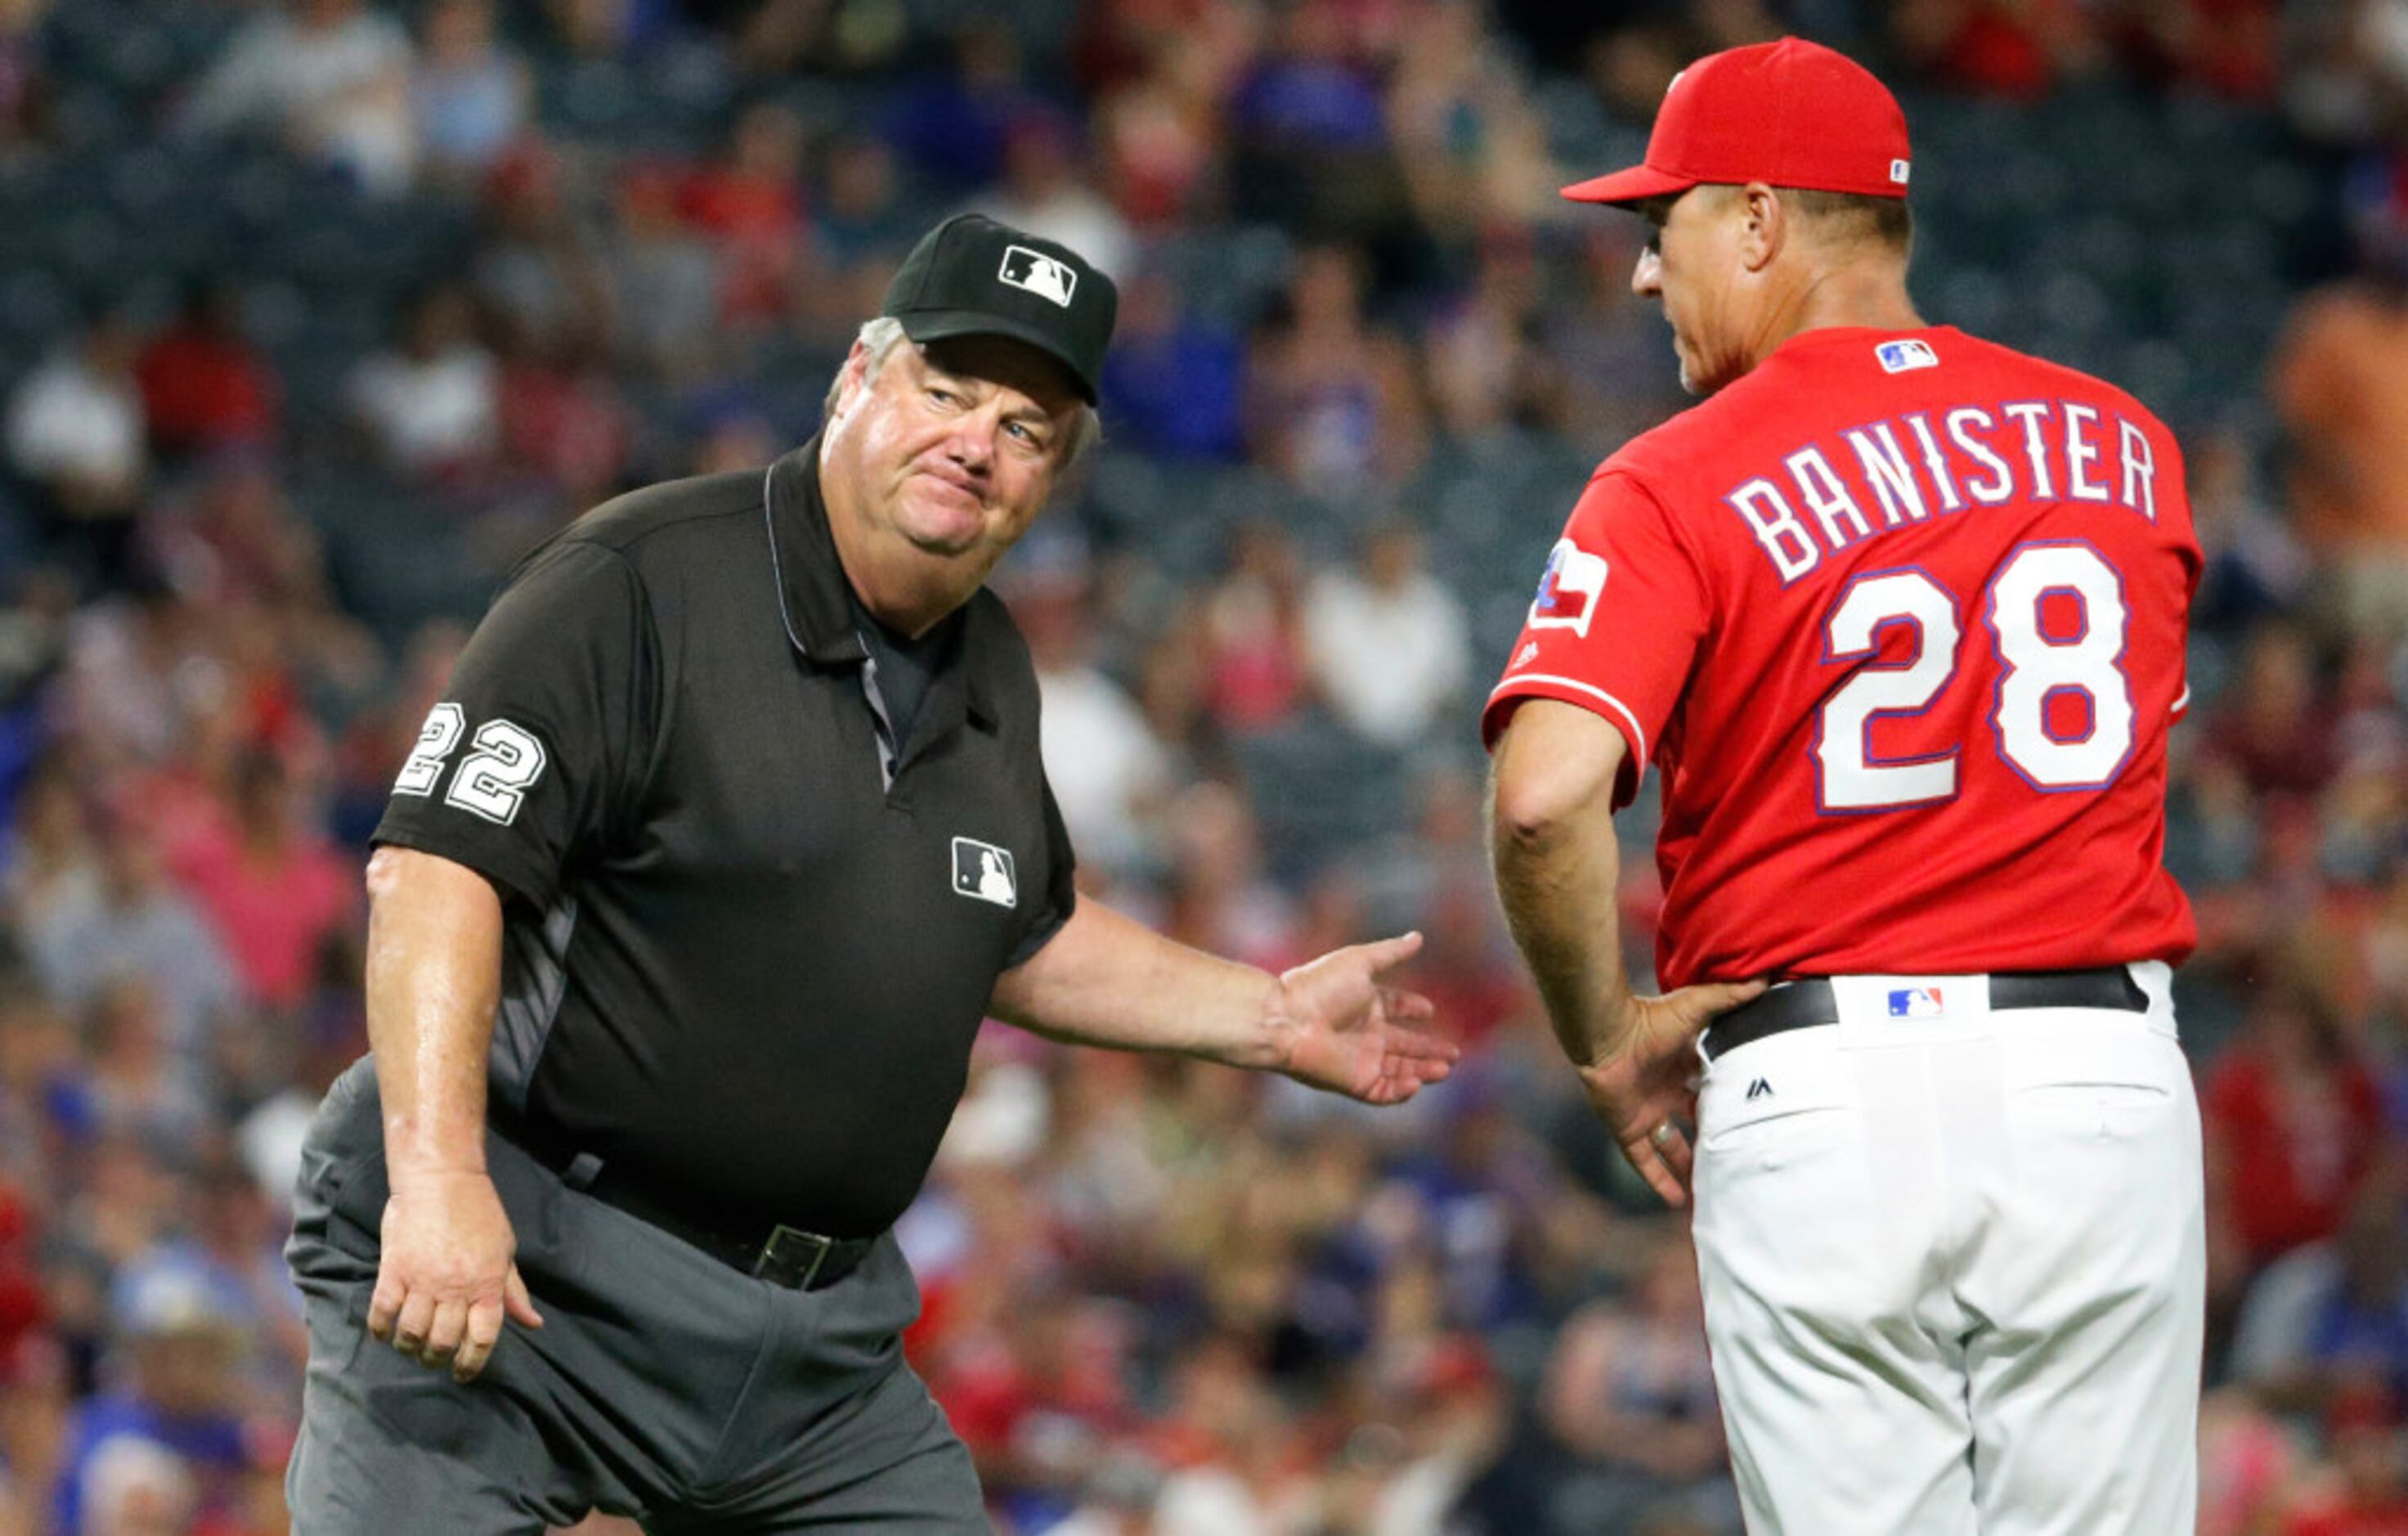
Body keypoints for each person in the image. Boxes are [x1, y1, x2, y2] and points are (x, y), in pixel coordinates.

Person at [283, 213, 1457, 1533]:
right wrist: (439, 1181)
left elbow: (1015, 929)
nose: (976, 438)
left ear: (1052, 475)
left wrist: (1268, 1014)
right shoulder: (637, 583)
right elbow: (437, 870)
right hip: (529, 1257)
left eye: (1025, 426)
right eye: (946, 390)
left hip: (812, 1353)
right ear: (857, 377)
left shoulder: (994, 666)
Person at [1483, 39, 2204, 1534]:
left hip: (1819, 1093)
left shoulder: (1674, 474)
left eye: (1657, 224)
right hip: (2093, 1078)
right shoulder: (2125, 447)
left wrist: (1605, 1040)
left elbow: (1544, 796)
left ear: (1754, 223)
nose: (1637, 276)